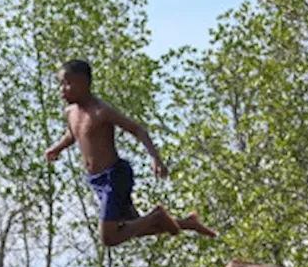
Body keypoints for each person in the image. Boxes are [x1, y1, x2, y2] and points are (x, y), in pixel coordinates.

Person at [44, 59, 217, 247]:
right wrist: (57, 148)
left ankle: (157, 214)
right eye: (61, 83)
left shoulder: (100, 111)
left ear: (84, 83)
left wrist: (155, 158)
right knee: (133, 228)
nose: (63, 89)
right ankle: (187, 223)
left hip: (114, 177)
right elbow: (74, 133)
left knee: (109, 238)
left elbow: (137, 129)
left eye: (68, 83)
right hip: (97, 181)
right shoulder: (70, 112)